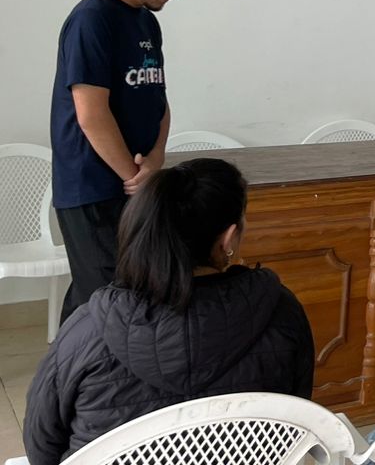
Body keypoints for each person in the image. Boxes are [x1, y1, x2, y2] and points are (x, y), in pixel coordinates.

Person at [24, 158, 312, 465]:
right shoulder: (281, 312)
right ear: (228, 239)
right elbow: (296, 420)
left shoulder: (88, 329)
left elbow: (41, 448)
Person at [50, 0, 201, 321]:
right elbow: (91, 113)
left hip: (133, 184)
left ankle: (65, 360)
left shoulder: (146, 21)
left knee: (103, 295)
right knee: (108, 302)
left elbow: (157, 98)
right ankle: (80, 362)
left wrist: (156, 158)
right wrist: (135, 177)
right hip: (92, 186)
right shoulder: (92, 18)